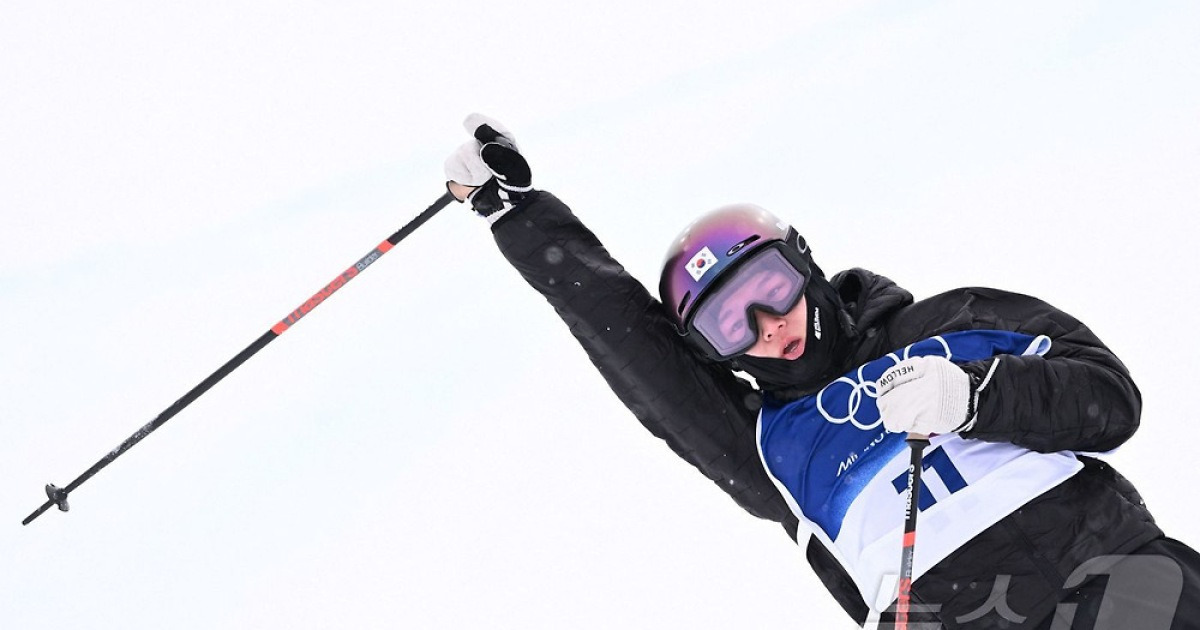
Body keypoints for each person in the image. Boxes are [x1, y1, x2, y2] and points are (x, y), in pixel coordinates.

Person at [442, 114, 1200, 629]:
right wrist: (516, 213)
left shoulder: (950, 324)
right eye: (729, 322)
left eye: (771, 290)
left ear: (804, 265)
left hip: (1127, 589)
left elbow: (1111, 400)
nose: (768, 328)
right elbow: (635, 346)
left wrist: (975, 397)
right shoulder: (766, 447)